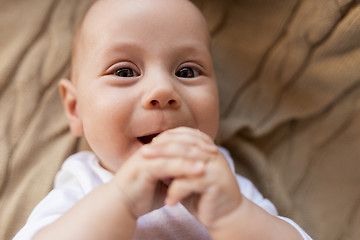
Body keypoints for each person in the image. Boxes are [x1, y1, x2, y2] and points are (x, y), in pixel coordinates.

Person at [14, 0, 312, 239]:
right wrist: (121, 201)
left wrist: (232, 215)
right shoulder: (82, 187)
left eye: (187, 72)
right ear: (75, 109)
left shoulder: (220, 180)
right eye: (124, 72)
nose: (163, 91)